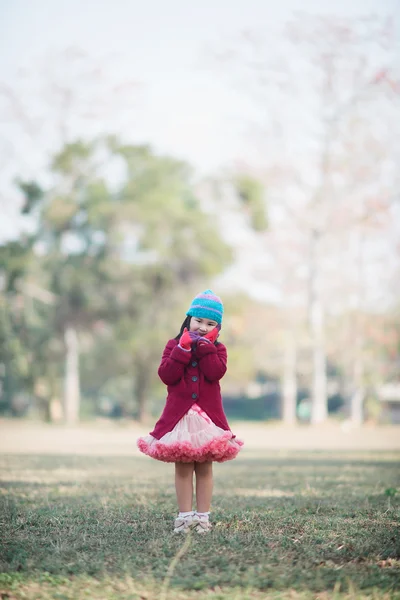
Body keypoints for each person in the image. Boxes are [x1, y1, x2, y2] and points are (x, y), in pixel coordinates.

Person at [137, 289, 243, 534]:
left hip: (207, 421)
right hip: (180, 420)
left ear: (218, 327)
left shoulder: (219, 349)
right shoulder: (173, 345)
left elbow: (215, 372)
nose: (203, 327)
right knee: (184, 468)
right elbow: (167, 375)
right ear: (188, 319)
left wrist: (205, 347)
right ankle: (184, 517)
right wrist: (182, 350)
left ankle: (203, 518)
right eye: (198, 321)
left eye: (210, 324)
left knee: (204, 468)